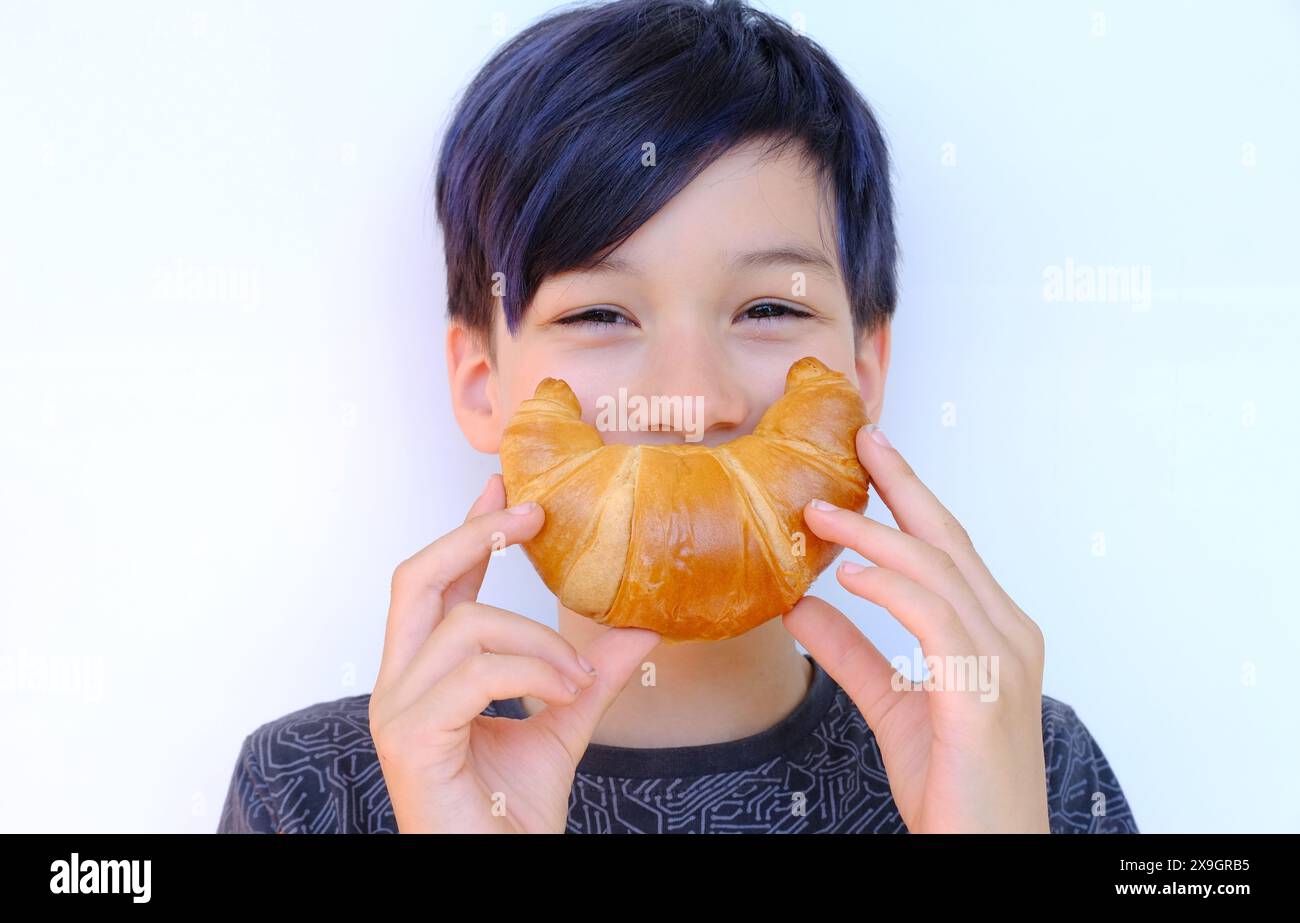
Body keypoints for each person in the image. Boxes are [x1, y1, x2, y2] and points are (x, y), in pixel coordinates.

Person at [218, 0, 1138, 834]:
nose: (691, 401)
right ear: (479, 383)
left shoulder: (1023, 761)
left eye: (769, 309)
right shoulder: (313, 793)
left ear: (865, 368)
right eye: (599, 315)